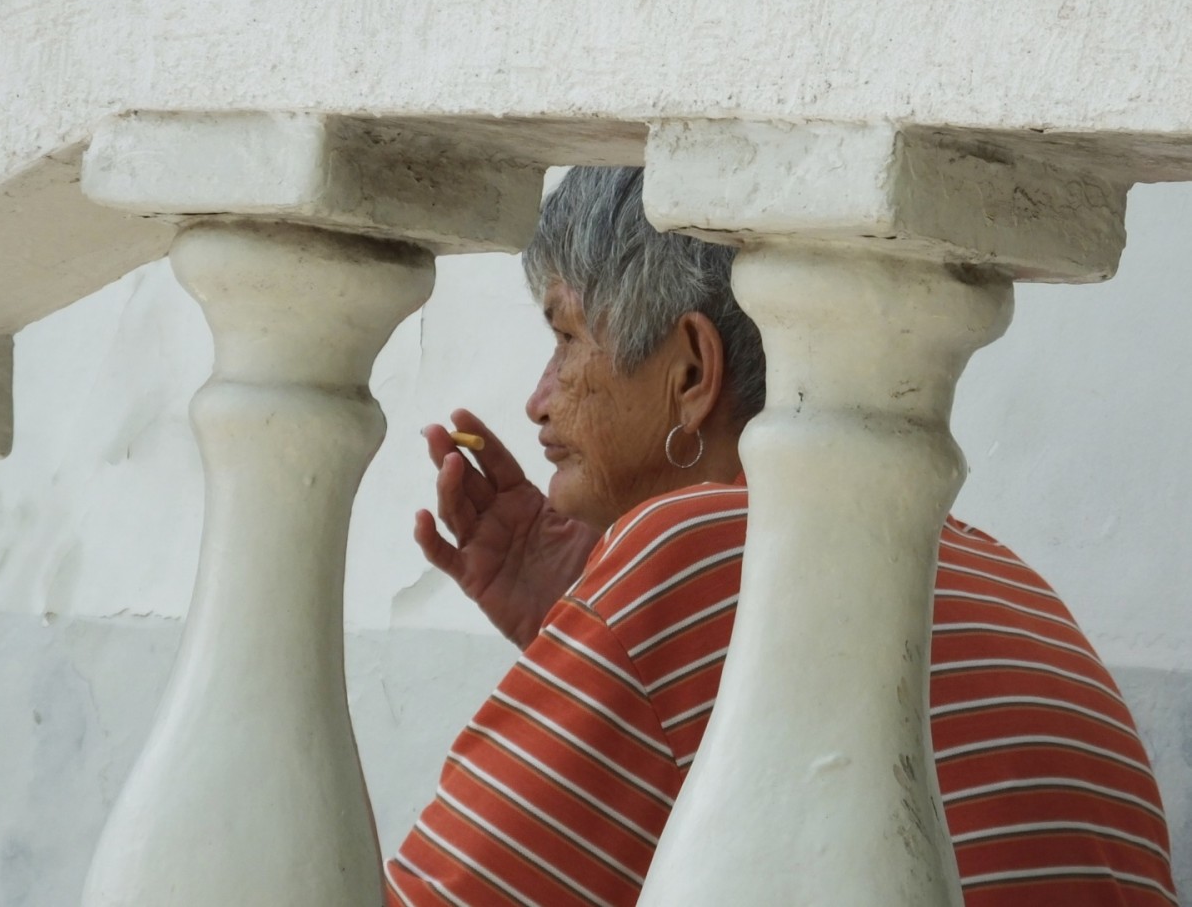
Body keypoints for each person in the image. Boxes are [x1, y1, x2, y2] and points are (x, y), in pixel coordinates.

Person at [384, 167, 1177, 906]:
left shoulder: (684, 551)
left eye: (565, 338)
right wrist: (581, 620)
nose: (537, 400)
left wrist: (623, 620)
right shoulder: (999, 572)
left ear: (693, 371)